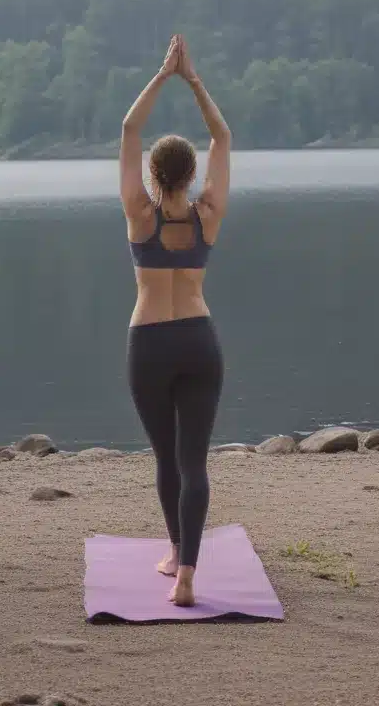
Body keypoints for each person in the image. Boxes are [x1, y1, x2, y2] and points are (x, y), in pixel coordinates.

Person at [119, 34, 231, 607]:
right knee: (194, 461)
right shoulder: (208, 214)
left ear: (155, 175)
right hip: (198, 339)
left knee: (167, 457)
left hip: (150, 343)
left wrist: (162, 76)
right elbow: (222, 136)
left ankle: (174, 550)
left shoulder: (140, 215)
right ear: (190, 175)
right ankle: (187, 572)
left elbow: (128, 131)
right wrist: (194, 81)